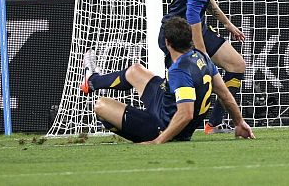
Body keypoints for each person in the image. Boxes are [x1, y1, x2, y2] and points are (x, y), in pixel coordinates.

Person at [80, 16, 255, 144]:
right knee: (135, 71)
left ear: (167, 43)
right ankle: (93, 80)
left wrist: (159, 140)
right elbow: (225, 94)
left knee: (101, 106)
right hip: (164, 102)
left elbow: (186, 114)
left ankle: (142, 133)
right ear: (190, 40)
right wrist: (239, 122)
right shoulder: (202, 57)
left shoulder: (179, 71)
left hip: (165, 126)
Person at [160, 0, 247, 134]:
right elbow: (191, 13)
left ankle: (215, 124)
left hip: (194, 27)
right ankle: (164, 123)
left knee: (237, 65)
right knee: (187, 83)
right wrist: (201, 53)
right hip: (178, 32)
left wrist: (226, 23)